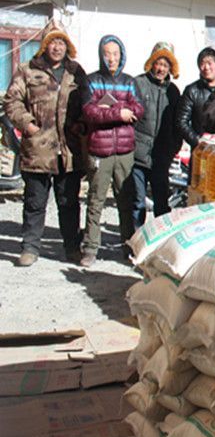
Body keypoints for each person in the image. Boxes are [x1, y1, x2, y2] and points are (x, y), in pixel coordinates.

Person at [3, 21, 88, 266]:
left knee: (69, 203)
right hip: (37, 148)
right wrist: (28, 125)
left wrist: (81, 124)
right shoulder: (27, 70)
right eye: (53, 42)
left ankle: (72, 248)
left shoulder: (76, 71)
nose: (57, 47)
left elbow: (87, 102)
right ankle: (30, 248)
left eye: (61, 42)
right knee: (35, 202)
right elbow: (12, 102)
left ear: (67, 46)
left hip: (68, 150)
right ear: (45, 46)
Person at [80, 35, 144, 267]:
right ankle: (90, 248)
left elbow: (139, 108)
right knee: (95, 201)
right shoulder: (91, 81)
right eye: (107, 54)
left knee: (125, 201)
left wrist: (110, 108)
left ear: (122, 55)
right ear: (101, 55)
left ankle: (128, 247)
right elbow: (90, 112)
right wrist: (119, 113)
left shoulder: (129, 82)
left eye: (115, 54)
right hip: (100, 150)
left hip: (125, 151)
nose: (111, 58)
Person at [130, 42, 181, 229]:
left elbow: (177, 124)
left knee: (161, 202)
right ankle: (135, 238)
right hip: (138, 154)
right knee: (137, 201)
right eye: (158, 63)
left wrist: (171, 150)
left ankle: (160, 239)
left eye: (165, 65)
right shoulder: (138, 84)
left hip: (161, 155)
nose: (161, 69)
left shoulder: (173, 91)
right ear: (151, 63)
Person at [175, 47, 215, 152]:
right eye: (202, 64)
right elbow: (181, 121)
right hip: (199, 150)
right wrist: (197, 140)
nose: (206, 67)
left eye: (209, 63)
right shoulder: (192, 91)